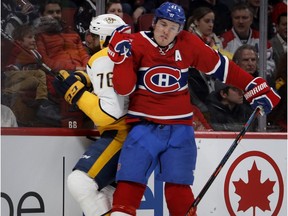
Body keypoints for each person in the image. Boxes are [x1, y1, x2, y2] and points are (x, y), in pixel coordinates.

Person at [107, 2, 280, 215]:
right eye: (162, 25)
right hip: (144, 125)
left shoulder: (188, 43)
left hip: (179, 129)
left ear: (180, 29)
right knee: (129, 184)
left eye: (173, 27)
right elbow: (123, 88)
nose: (166, 31)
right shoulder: (136, 43)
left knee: (178, 190)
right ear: (154, 23)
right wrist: (121, 60)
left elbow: (222, 68)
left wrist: (253, 85)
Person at [53, 14, 130, 216]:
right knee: (109, 195)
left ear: (105, 39)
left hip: (121, 134)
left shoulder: (104, 56)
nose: (89, 42)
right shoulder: (121, 54)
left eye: (93, 37)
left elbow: (109, 113)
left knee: (80, 182)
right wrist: (81, 78)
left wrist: (77, 93)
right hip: (131, 134)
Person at [2, 24, 61, 125]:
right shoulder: (17, 51)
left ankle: (44, 103)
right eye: (29, 37)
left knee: (37, 80)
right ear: (19, 41)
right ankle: (43, 102)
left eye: (34, 37)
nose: (33, 40)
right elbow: (11, 67)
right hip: (14, 77)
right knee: (39, 75)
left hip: (29, 80)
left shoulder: (34, 53)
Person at [35, 0, 90, 96]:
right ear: (41, 15)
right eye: (50, 12)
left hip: (83, 73)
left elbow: (83, 54)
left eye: (58, 12)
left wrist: (88, 68)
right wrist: (76, 68)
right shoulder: (39, 36)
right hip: (60, 77)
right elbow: (45, 62)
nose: (55, 15)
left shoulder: (71, 32)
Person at [221, 3, 276, 86]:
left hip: (258, 81)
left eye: (244, 18)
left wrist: (255, 70)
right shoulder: (223, 40)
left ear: (251, 19)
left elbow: (270, 65)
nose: (240, 21)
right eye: (237, 18)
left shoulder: (261, 39)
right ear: (232, 19)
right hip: (234, 84)